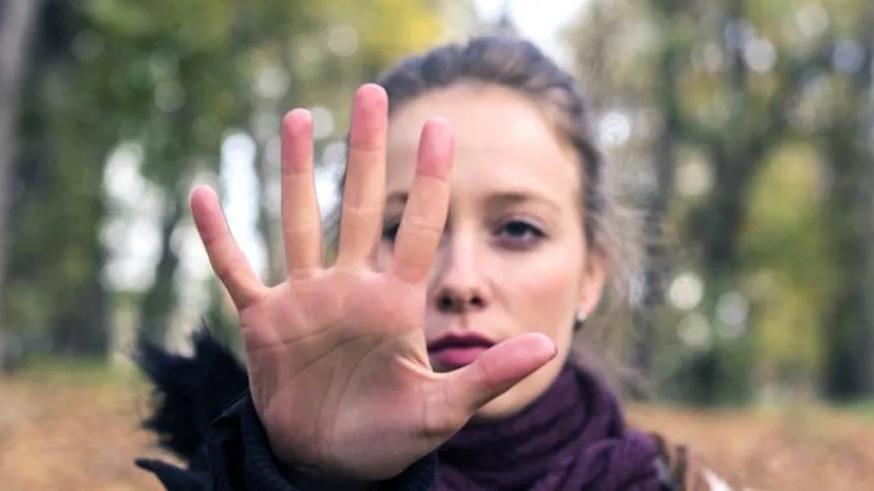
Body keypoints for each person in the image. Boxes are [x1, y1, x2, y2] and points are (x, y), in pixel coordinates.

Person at [135, 35, 733, 490]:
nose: (459, 283)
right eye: (402, 228)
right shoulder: (229, 474)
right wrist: (303, 475)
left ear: (591, 277)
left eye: (519, 229)